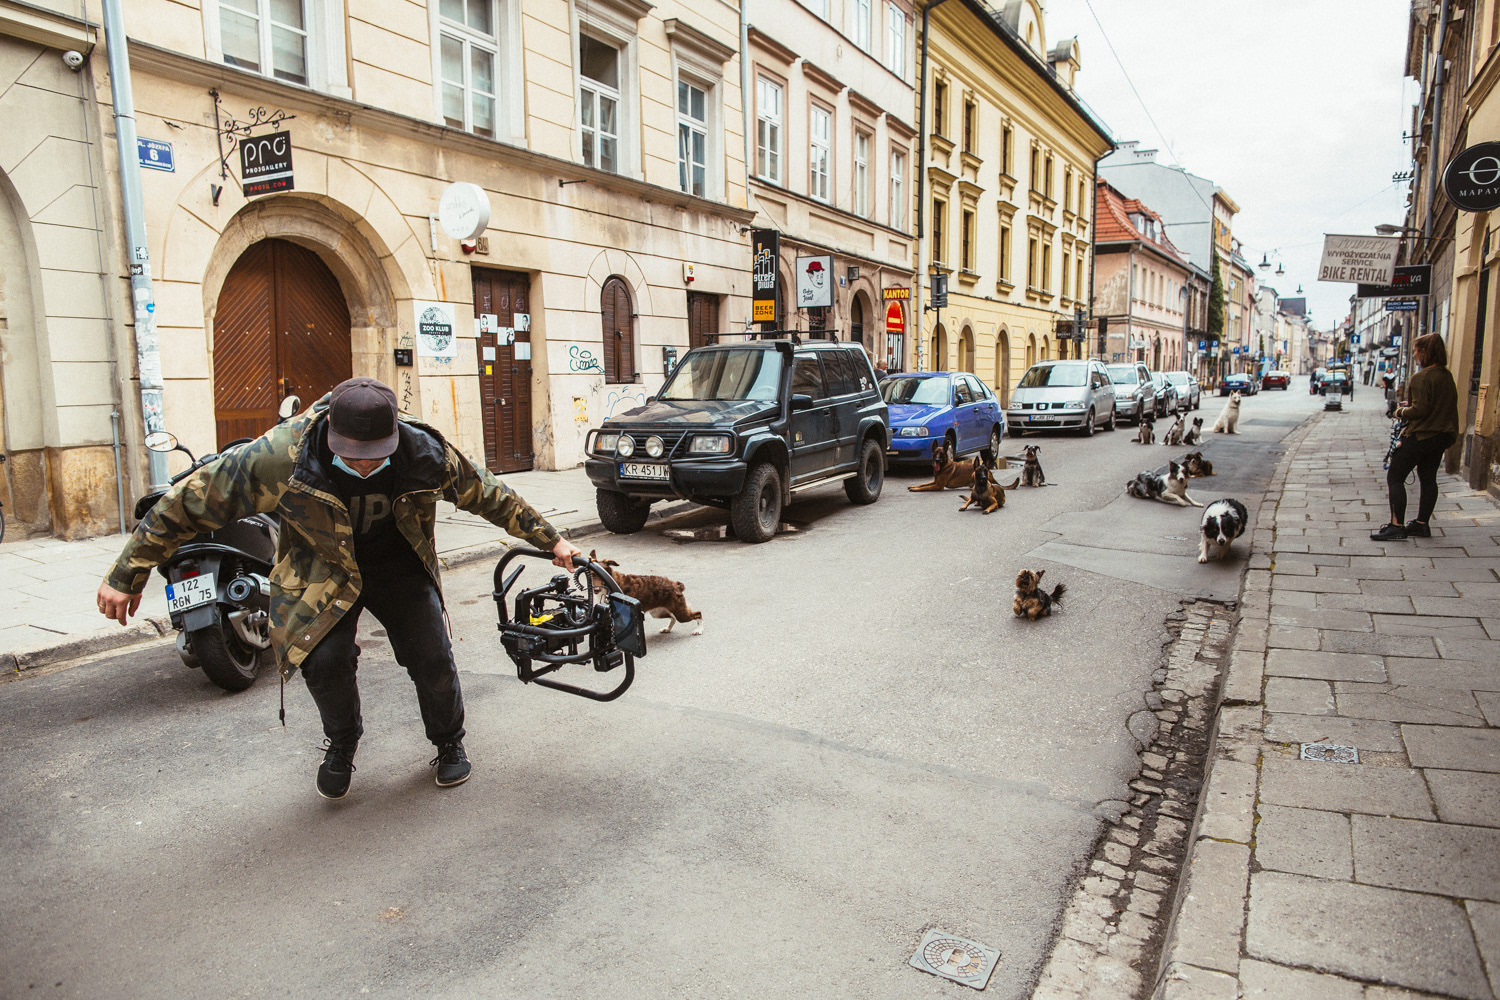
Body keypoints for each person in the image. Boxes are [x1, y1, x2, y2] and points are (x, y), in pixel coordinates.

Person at [97, 377, 583, 800]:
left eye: (376, 456)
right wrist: (126, 575)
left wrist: (553, 540)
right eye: (353, 456)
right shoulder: (281, 456)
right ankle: (343, 742)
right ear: (330, 430)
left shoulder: (426, 453)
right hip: (319, 569)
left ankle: (449, 741)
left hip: (398, 564)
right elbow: (187, 502)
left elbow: (491, 494)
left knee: (431, 655)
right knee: (324, 662)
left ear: (395, 435)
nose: (365, 466)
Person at [1370, 334, 1459, 541]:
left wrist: (1399, 412)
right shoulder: (1446, 376)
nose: (1415, 355)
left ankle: (1397, 526)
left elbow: (1421, 409)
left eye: (1417, 351)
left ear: (1425, 352)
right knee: (1428, 478)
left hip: (1420, 435)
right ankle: (1421, 524)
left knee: (1395, 477)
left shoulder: (1422, 377)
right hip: (1441, 436)